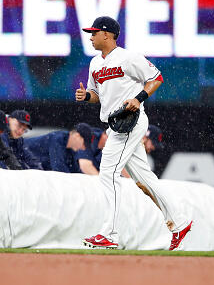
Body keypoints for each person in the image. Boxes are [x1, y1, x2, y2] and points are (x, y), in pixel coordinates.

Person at [76, 16, 192, 250]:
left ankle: (110, 233)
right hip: (114, 124)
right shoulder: (95, 64)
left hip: (131, 122)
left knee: (107, 174)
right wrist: (87, 97)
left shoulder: (128, 58)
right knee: (144, 179)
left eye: (94, 32)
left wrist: (139, 99)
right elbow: (97, 94)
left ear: (106, 34)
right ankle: (180, 221)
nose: (90, 36)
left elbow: (156, 77)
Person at [24, 123, 92, 173]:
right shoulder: (57, 139)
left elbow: (75, 170)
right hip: (16, 156)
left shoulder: (69, 149)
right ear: (77, 136)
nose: (83, 148)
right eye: (84, 144)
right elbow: (59, 170)